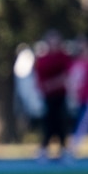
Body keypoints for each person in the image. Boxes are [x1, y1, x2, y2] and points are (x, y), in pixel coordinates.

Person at [32, 31, 72, 161]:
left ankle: (64, 151)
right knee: (48, 123)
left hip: (60, 96)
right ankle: (44, 150)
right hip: (48, 97)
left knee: (61, 122)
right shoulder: (43, 59)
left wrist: (53, 84)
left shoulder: (64, 57)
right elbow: (38, 77)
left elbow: (67, 76)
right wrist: (44, 87)